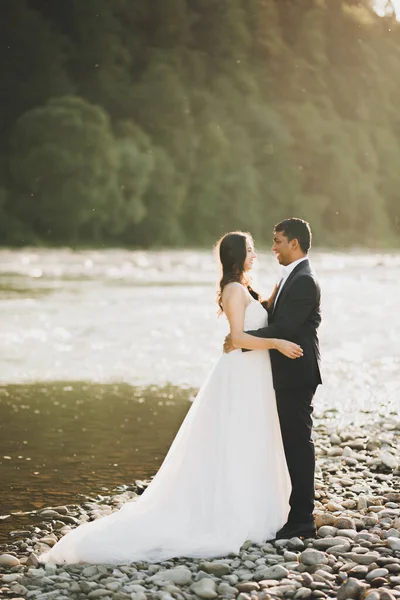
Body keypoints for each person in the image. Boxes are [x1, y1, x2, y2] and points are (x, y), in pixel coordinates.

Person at [39, 231, 302, 565]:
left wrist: (277, 291)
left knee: (249, 439)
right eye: (250, 250)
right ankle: (234, 513)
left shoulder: (245, 288)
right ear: (237, 256)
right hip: (240, 373)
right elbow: (236, 338)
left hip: (253, 374)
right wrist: (278, 343)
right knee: (237, 440)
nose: (256, 254)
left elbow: (254, 321)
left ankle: (257, 506)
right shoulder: (233, 290)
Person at [224, 218, 322, 540]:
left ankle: (302, 519)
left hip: (296, 374)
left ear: (294, 243)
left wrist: (241, 337)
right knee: (289, 444)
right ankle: (291, 512)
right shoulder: (289, 279)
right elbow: (274, 316)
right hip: (280, 374)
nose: (273, 247)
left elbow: (285, 331)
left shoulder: (305, 281)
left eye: (278, 240)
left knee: (297, 445)